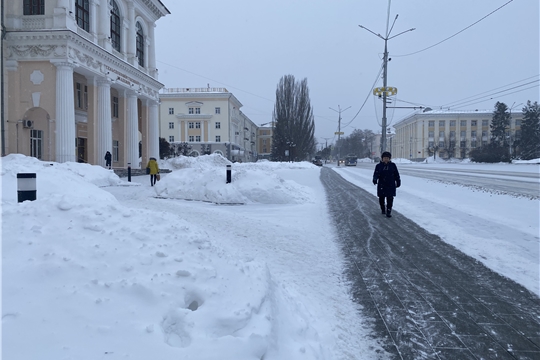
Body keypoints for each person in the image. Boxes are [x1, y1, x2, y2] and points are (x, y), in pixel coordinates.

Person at [372, 151, 401, 218]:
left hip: (390, 184)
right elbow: (375, 174)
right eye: (384, 158)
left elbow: (396, 174)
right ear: (382, 158)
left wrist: (398, 181)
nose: (386, 159)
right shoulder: (379, 166)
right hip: (382, 184)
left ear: (389, 158)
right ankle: (383, 209)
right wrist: (375, 179)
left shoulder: (393, 165)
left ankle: (388, 211)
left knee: (390, 198)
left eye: (387, 158)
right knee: (381, 198)